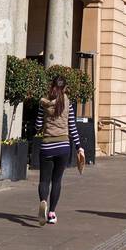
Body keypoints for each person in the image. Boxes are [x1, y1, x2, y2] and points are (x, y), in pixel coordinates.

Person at [34, 74, 85, 224]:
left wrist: (43, 125)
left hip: (47, 145)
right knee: (57, 181)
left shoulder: (43, 102)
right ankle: (51, 213)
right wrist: (79, 147)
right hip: (63, 146)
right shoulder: (67, 102)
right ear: (65, 87)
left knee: (44, 180)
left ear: (52, 85)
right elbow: (72, 127)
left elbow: (37, 126)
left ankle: (43, 200)